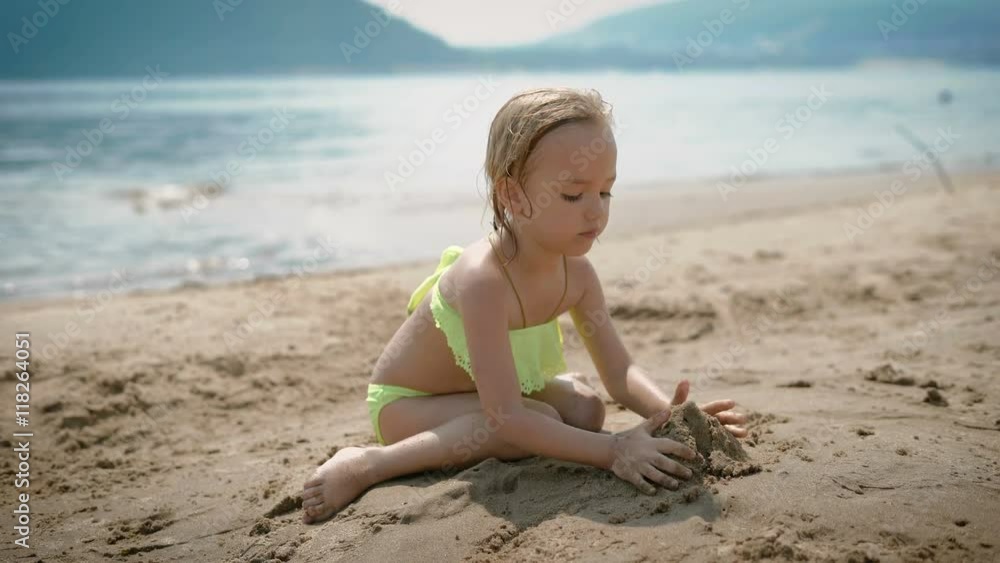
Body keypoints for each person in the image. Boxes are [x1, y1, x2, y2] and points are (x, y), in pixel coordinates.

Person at [302, 87, 747, 524]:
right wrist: (613, 450)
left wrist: (669, 413)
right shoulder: (484, 279)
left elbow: (619, 373)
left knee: (586, 411)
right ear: (513, 195)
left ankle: (536, 397)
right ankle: (369, 464)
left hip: (480, 393)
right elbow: (506, 418)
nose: (596, 212)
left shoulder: (578, 274)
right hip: (411, 407)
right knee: (519, 427)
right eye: (574, 195)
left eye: (606, 192)